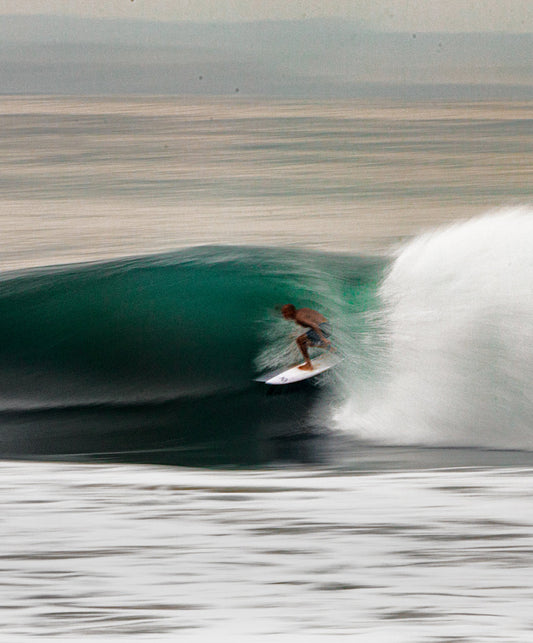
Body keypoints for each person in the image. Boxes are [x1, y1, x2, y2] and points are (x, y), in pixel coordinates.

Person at [281, 304, 332, 371]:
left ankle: (308, 365)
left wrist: (322, 338)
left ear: (291, 311)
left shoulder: (299, 317)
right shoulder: (301, 312)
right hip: (326, 325)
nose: (283, 315)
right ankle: (331, 349)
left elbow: (314, 325)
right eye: (282, 313)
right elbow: (312, 321)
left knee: (300, 340)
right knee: (307, 343)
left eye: (285, 312)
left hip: (324, 327)